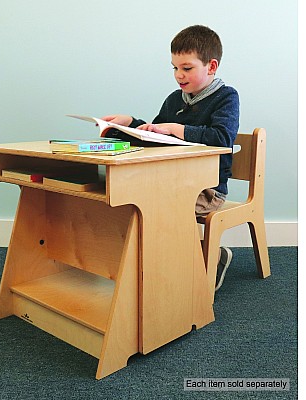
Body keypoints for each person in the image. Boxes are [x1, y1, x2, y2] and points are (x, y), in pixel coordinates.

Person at [102, 25, 239, 292]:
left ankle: (205, 260)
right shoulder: (175, 99)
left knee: (160, 209)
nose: (179, 75)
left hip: (207, 189)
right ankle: (159, 268)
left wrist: (176, 130)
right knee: (133, 202)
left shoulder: (226, 97)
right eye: (174, 68)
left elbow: (222, 138)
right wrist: (130, 124)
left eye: (186, 68)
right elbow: (155, 135)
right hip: (171, 181)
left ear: (211, 66)